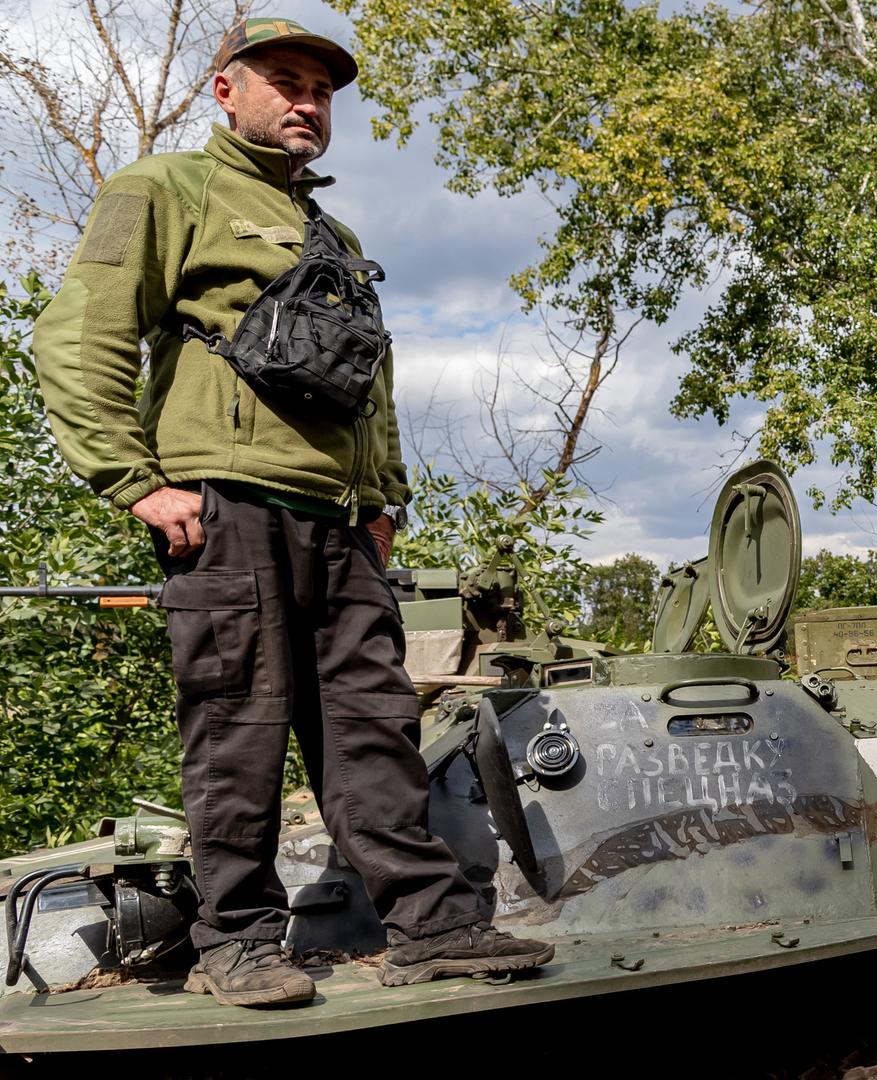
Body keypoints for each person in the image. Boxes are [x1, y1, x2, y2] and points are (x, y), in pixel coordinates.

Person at [31, 17, 551, 1006]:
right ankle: (237, 941)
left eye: (319, 87)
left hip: (341, 523)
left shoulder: (338, 239)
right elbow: (81, 334)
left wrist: (384, 501)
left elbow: (372, 384)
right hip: (222, 506)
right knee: (238, 729)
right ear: (225, 91)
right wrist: (133, 478)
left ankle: (430, 927)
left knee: (375, 728)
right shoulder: (162, 189)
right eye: (284, 79)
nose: (307, 99)